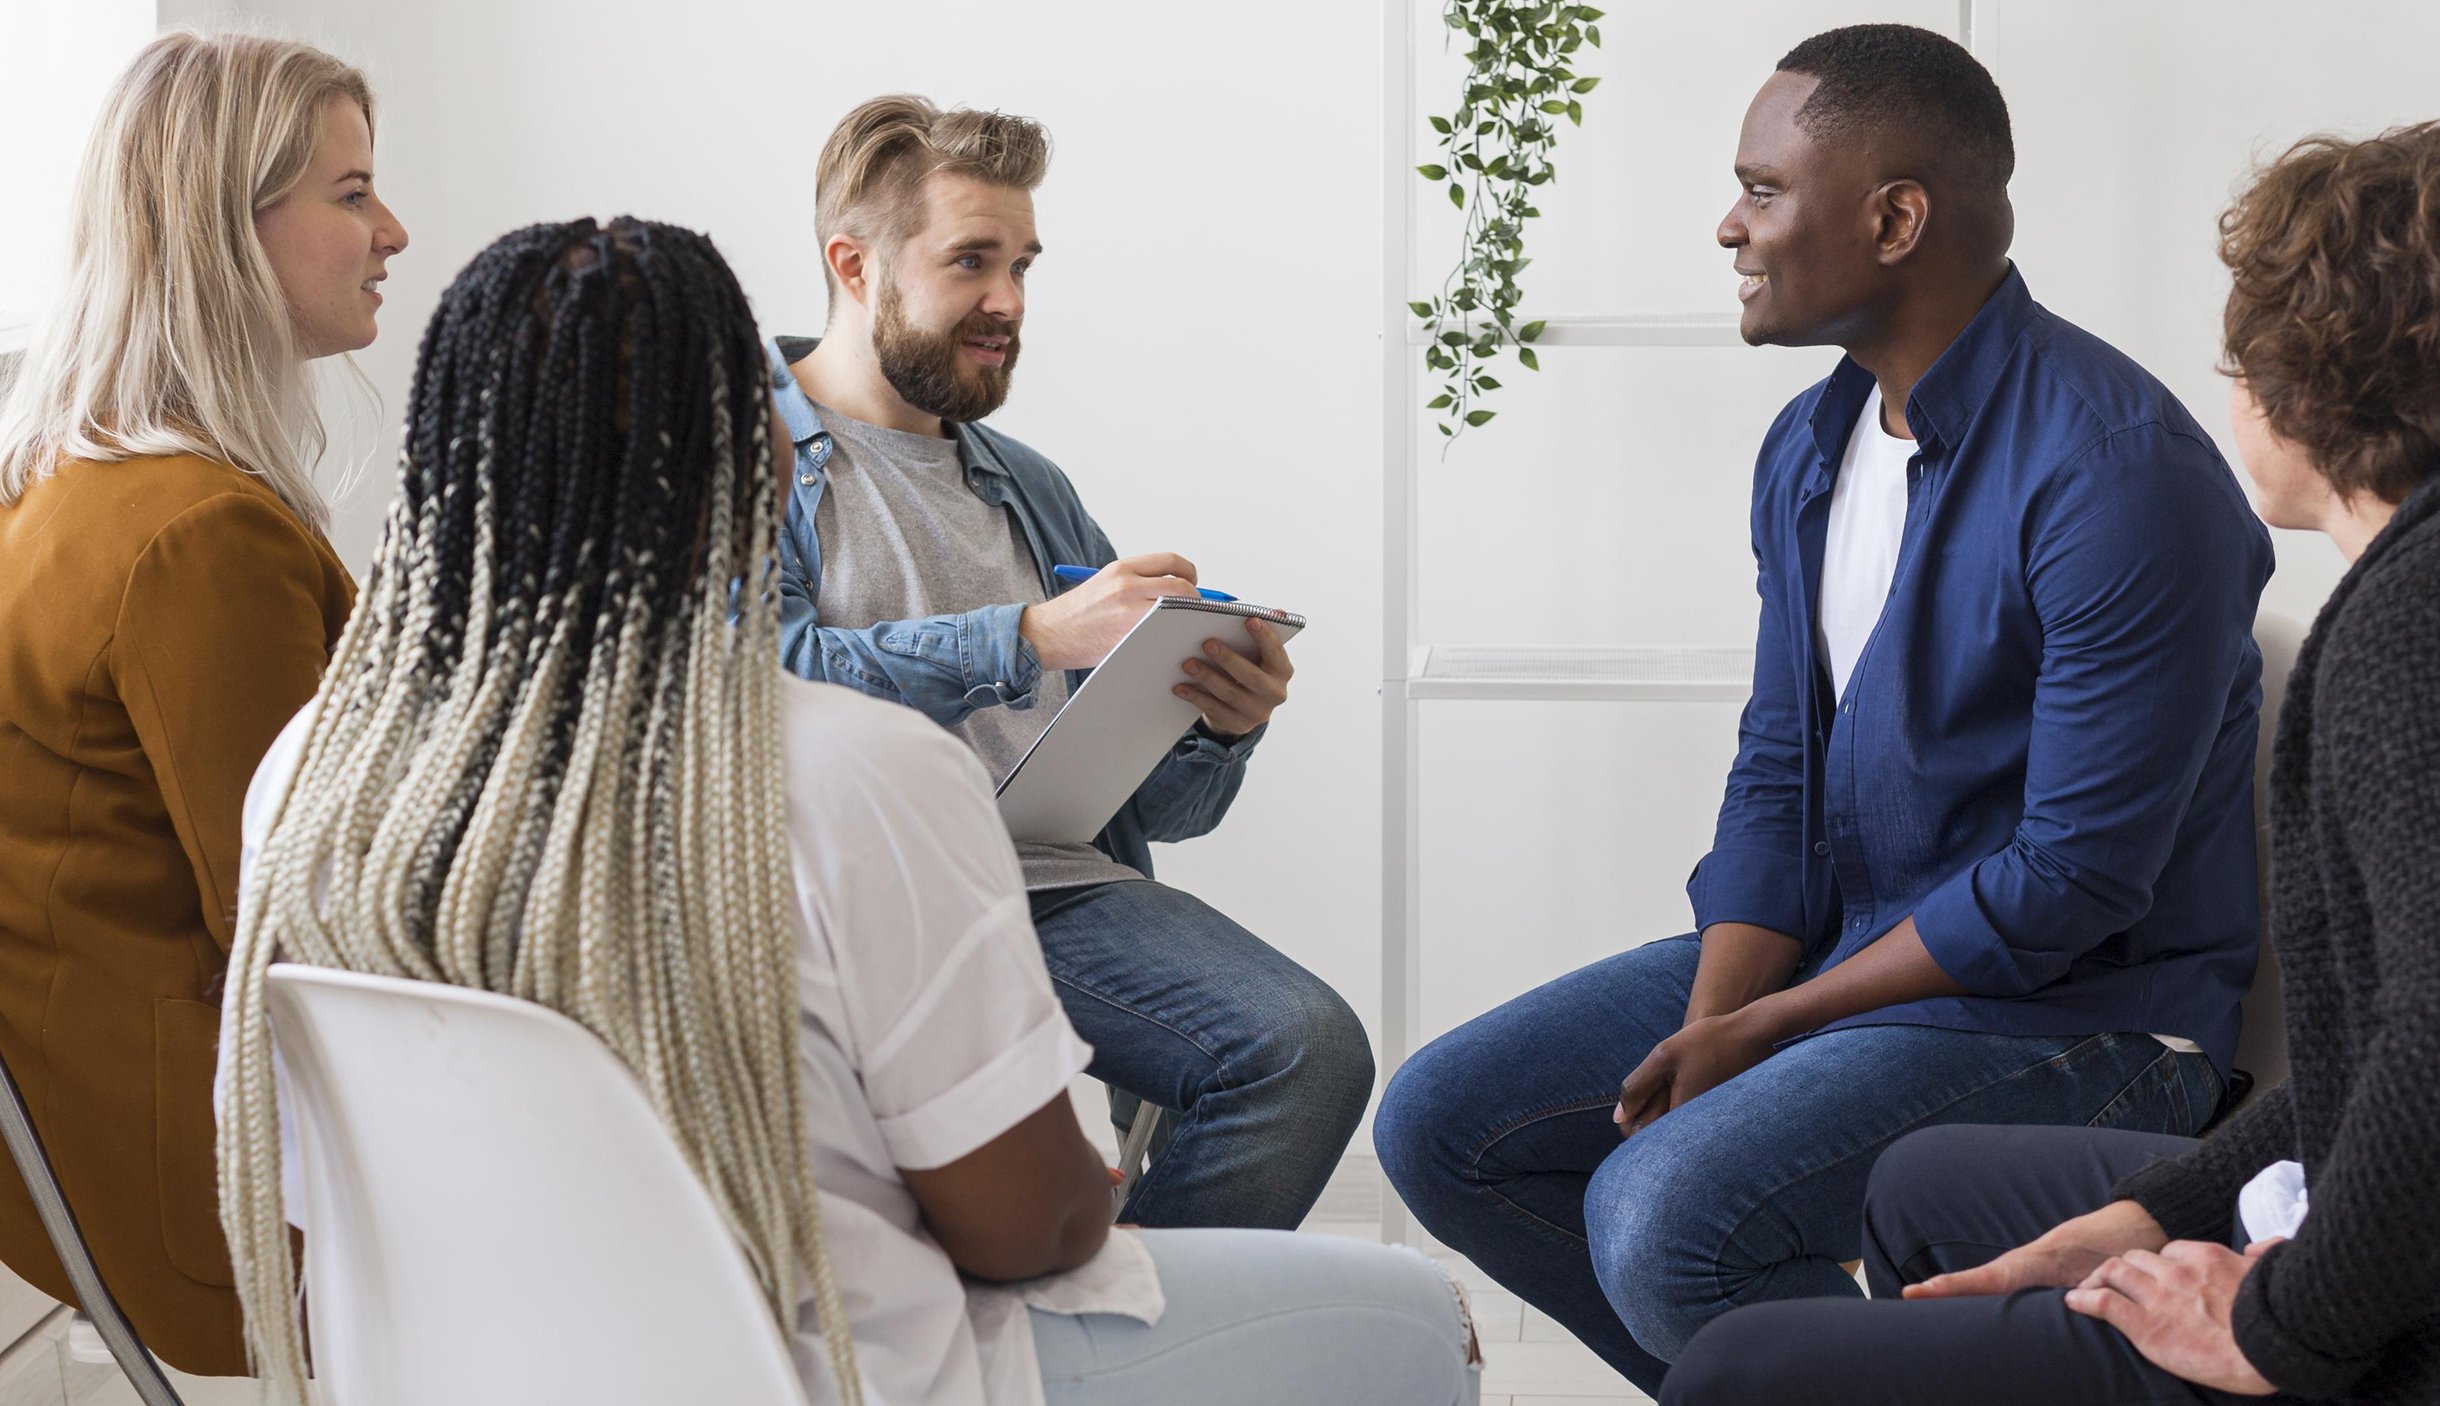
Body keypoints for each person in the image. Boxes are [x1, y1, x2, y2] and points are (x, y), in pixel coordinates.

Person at [214, 217, 1477, 1406]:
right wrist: (1037, 1160)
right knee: (1424, 1318)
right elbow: (1032, 1230)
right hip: (853, 1370)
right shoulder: (843, 771)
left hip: (481, 1369)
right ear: (743, 451)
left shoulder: (313, 770)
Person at [1374, 22, 2275, 1393]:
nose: (1728, 224)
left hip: (2084, 1015)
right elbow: (1780, 768)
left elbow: (2074, 882)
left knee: (1664, 1214)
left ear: (1894, 217)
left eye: (1763, 187)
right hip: (1860, 956)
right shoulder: (1810, 443)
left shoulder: (2119, 474)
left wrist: (1774, 1029)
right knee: (1444, 1120)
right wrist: (1724, 1014)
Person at [1661, 116, 2440, 1406]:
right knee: (1916, 1182)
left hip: (2425, 1303)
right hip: (2373, 1201)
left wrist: (2283, 1326)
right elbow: (2381, 1049)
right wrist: (2157, 1209)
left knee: (1734, 1366)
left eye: (2238, 350)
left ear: (2310, 376)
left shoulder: (2428, 617)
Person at [768, 96, 1368, 1231]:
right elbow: (762, 675)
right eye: (971, 262)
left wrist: (1216, 720)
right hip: (864, 896)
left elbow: (1171, 810)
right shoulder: (741, 440)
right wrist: (1031, 635)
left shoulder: (1028, 485)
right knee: (1289, 1050)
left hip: (1048, 883)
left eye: (1023, 265)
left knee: (1306, 1049)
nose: (1008, 302)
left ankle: (1133, 1345)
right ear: (855, 265)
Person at [0, 31, 405, 1373]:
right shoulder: (196, 538)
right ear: (224, 229)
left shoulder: (65, 487)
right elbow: (305, 924)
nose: (391, 229)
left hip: (83, 1157)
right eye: (350, 194)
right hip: (215, 1202)